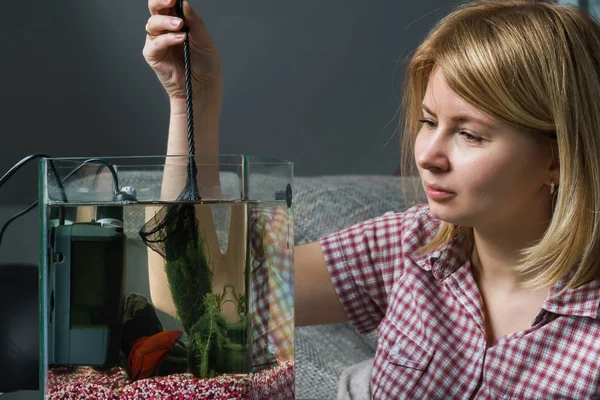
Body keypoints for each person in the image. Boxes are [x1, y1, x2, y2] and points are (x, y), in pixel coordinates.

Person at [143, 0, 600, 398]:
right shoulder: (409, 245)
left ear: (558, 160)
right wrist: (192, 101)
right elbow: (195, 298)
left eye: (469, 134)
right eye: (427, 121)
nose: (428, 156)